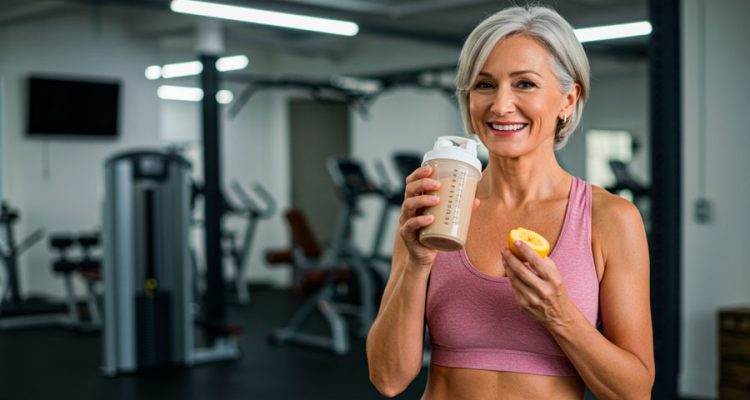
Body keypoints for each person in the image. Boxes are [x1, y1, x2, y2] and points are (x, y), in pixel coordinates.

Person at [366, 5, 654, 400]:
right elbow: (388, 378)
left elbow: (634, 392)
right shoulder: (436, 206)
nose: (500, 105)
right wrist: (416, 265)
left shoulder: (610, 218)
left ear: (568, 100)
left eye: (525, 84)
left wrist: (560, 314)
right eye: (484, 85)